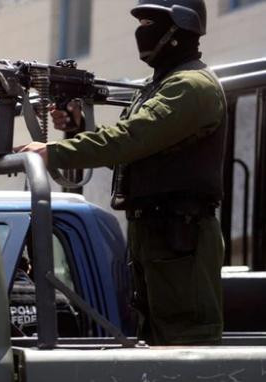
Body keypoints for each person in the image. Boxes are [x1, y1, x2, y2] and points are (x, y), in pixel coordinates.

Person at [20, 0, 225, 346]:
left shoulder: (192, 86)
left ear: (180, 28)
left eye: (150, 22)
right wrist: (78, 127)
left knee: (186, 345)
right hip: (155, 234)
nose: (141, 30)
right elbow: (132, 154)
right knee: (153, 343)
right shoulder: (156, 87)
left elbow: (130, 139)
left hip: (181, 238)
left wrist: (53, 152)